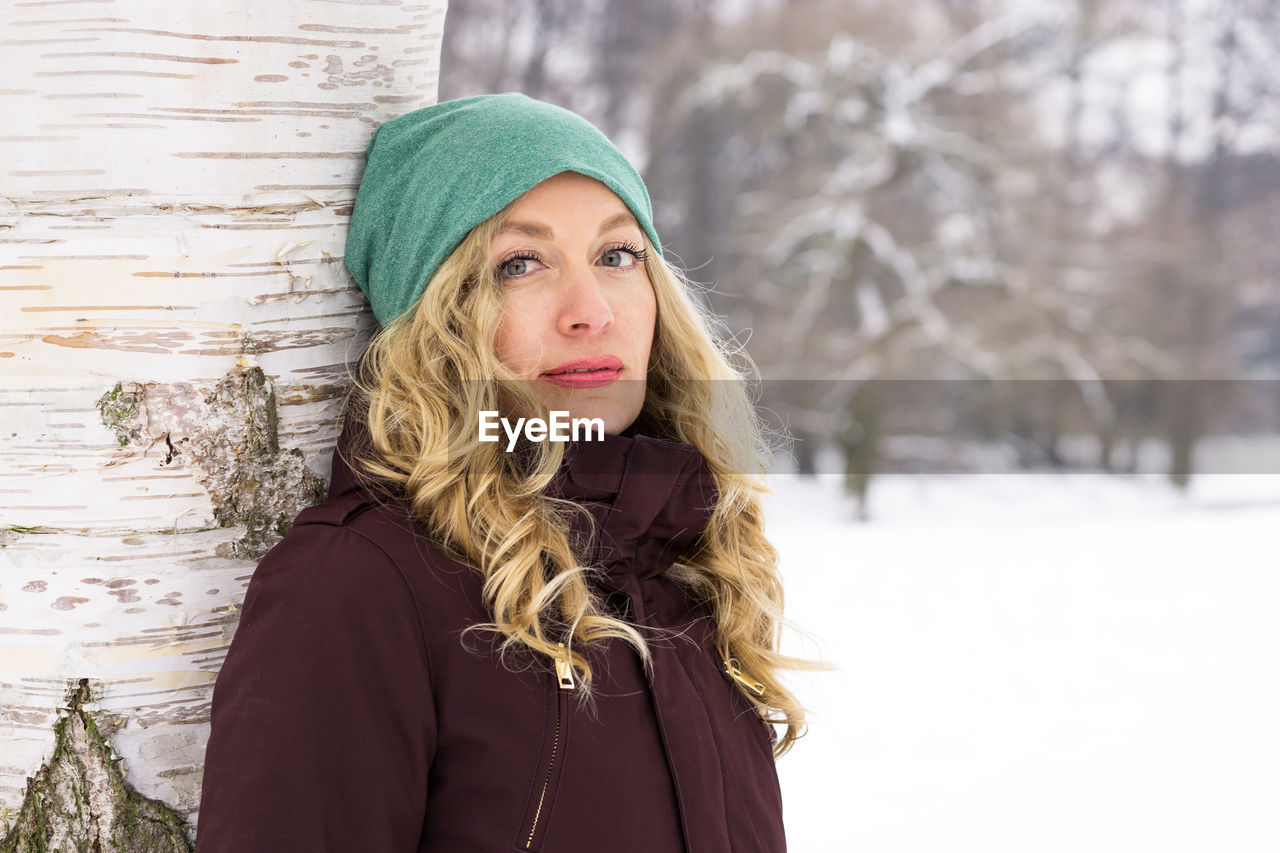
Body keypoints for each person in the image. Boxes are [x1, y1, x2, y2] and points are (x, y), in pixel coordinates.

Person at [195, 93, 811, 852]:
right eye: (520, 264)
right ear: (439, 316)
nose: (592, 310)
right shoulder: (359, 582)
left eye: (618, 255)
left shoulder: (685, 558)